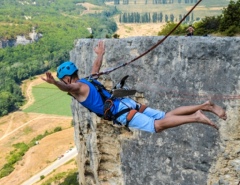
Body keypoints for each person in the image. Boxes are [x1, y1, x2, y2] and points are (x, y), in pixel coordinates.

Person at [41, 41, 227, 133]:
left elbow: (67, 89)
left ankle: (196, 117)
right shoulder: (88, 80)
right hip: (126, 103)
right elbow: (95, 68)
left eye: (63, 80)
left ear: (66, 79)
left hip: (120, 111)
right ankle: (205, 106)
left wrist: (55, 84)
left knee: (157, 126)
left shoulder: (76, 88)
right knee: (164, 116)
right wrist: (100, 54)